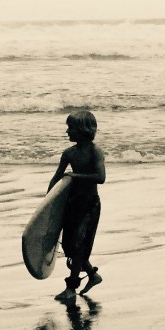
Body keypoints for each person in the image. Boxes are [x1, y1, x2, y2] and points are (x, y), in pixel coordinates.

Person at [47, 111, 106, 301]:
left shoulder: (94, 151)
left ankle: (71, 288)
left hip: (89, 205)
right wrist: (48, 201)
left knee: (79, 246)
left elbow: (101, 177)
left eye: (71, 127)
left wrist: (75, 176)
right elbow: (57, 177)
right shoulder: (69, 153)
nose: (67, 131)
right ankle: (93, 275)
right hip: (72, 204)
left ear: (83, 130)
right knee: (69, 246)